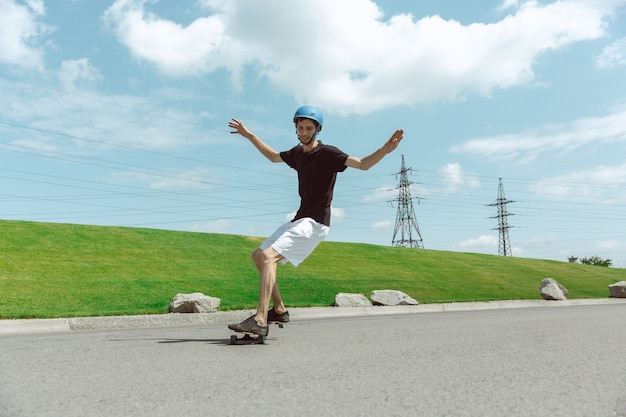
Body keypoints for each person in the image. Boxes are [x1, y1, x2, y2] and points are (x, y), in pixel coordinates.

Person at [227, 105, 404, 336]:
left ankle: (260, 320)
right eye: (300, 127)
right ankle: (278, 310)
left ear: (317, 129)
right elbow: (272, 156)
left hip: (316, 222)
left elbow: (363, 164)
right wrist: (249, 135)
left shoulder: (330, 154)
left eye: (309, 128)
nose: (304, 132)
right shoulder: (298, 153)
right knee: (259, 256)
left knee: (269, 257)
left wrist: (385, 149)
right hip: (300, 219)